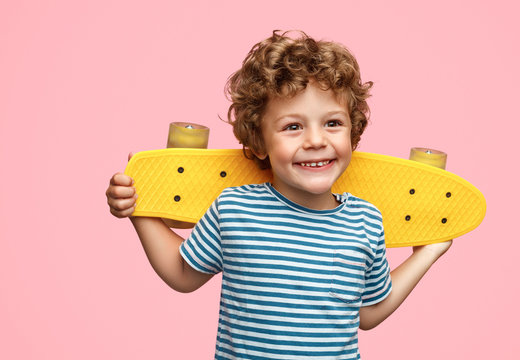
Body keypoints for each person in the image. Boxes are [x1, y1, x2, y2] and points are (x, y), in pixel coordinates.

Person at [106, 30, 452, 359]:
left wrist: (429, 253)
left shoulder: (365, 220)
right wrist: (140, 209)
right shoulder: (234, 208)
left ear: (353, 131)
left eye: (332, 123)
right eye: (292, 127)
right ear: (258, 143)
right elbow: (183, 273)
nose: (316, 140)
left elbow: (367, 312)